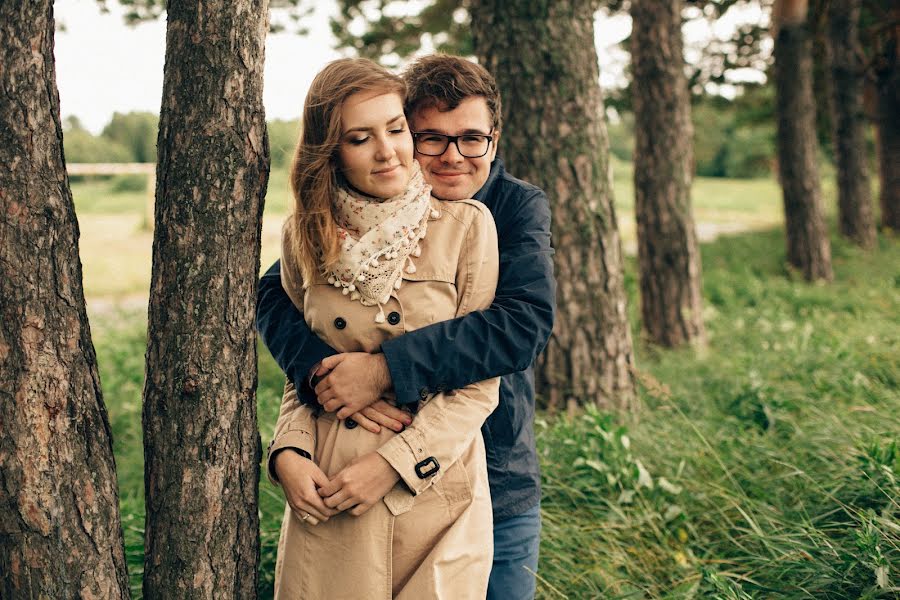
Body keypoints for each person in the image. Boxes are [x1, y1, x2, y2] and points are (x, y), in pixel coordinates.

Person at [259, 55, 556, 599]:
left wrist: (381, 372)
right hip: (347, 476)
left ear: (494, 137)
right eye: (429, 138)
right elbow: (281, 297)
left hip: (490, 463)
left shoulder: (504, 211)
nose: (452, 158)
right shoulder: (335, 222)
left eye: (471, 139)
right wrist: (315, 378)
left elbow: (520, 328)